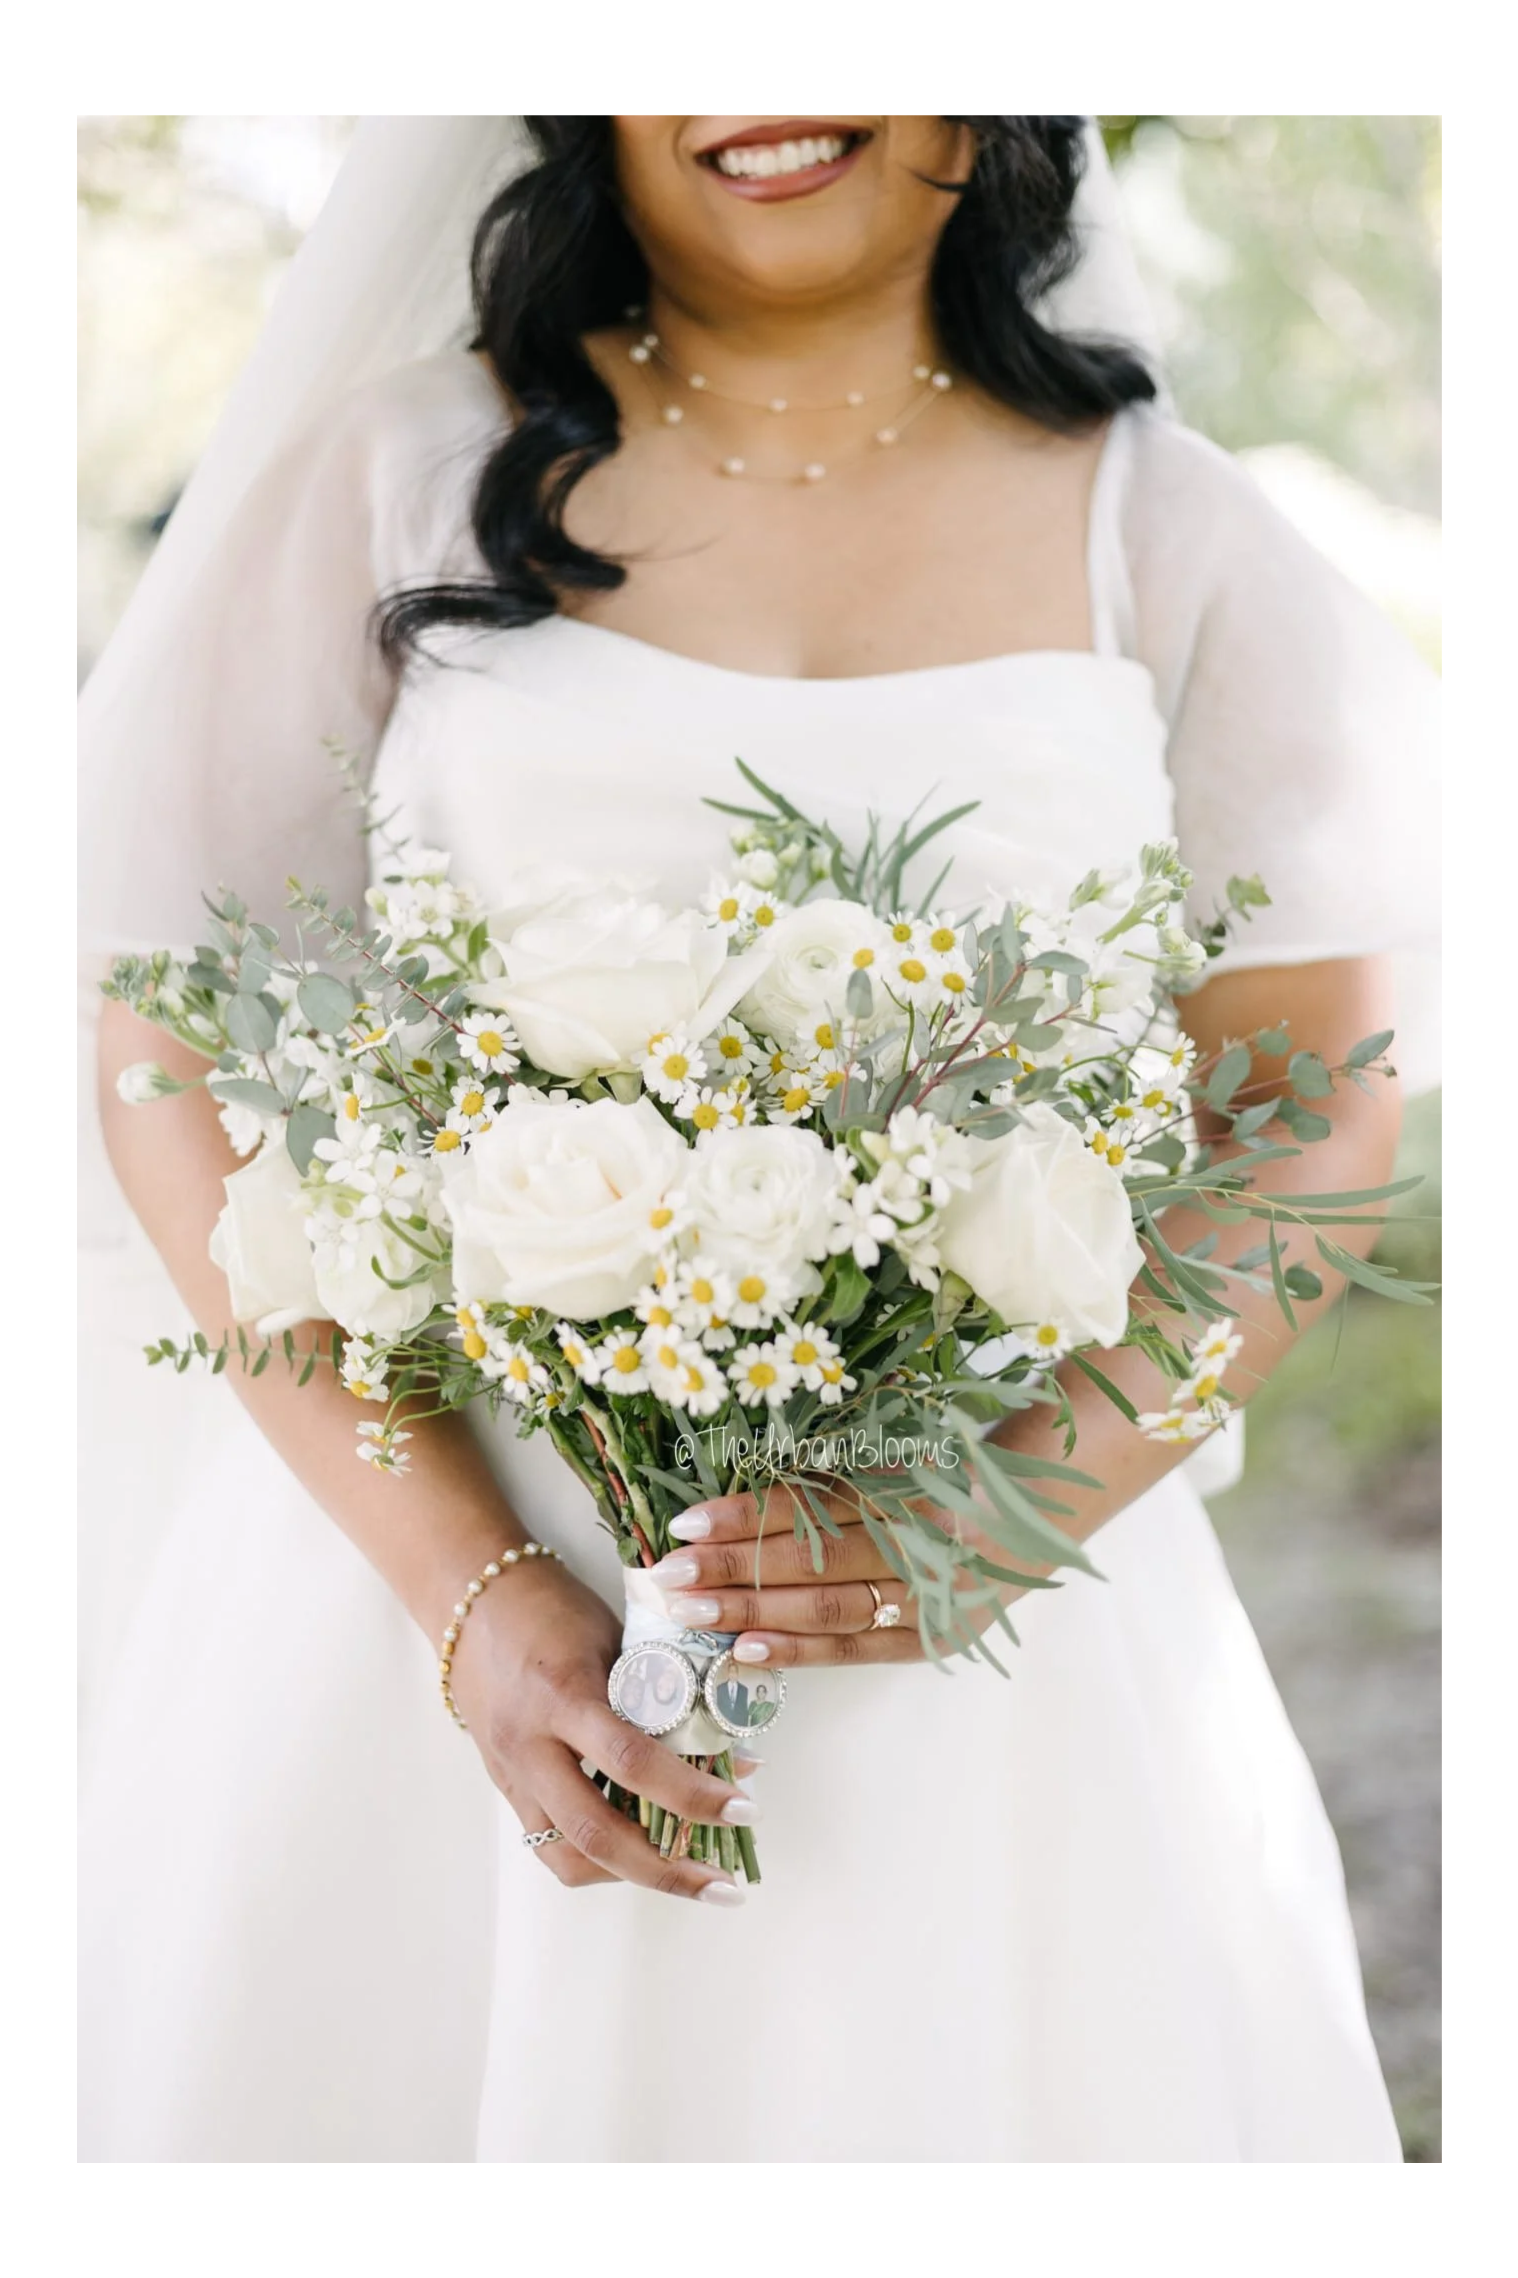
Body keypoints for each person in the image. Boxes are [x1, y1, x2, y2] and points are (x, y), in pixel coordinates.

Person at [79, 114, 1429, 2173]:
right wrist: (474, 1587)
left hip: (986, 1660)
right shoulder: (392, 478)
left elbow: (1314, 1098)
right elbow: (167, 1031)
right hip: (420, 1627)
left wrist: (994, 1510)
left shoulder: (1173, 537)